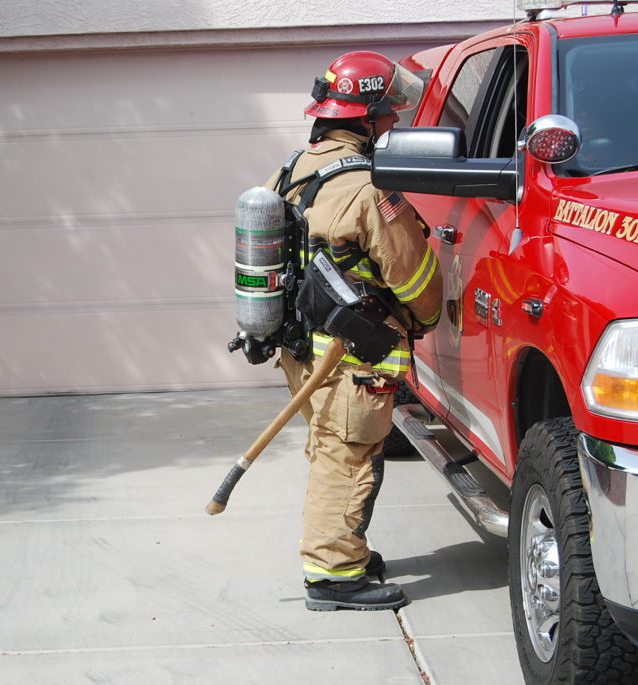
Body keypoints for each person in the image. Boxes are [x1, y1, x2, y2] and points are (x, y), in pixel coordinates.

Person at [267, 51, 443, 611]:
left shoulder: (293, 169)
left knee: (328, 447)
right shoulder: (368, 188)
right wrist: (428, 318)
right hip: (350, 356)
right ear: (365, 118)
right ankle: (334, 576)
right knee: (347, 457)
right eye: (388, 113)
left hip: (302, 349)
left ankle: (345, 550)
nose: (394, 122)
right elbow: (414, 279)